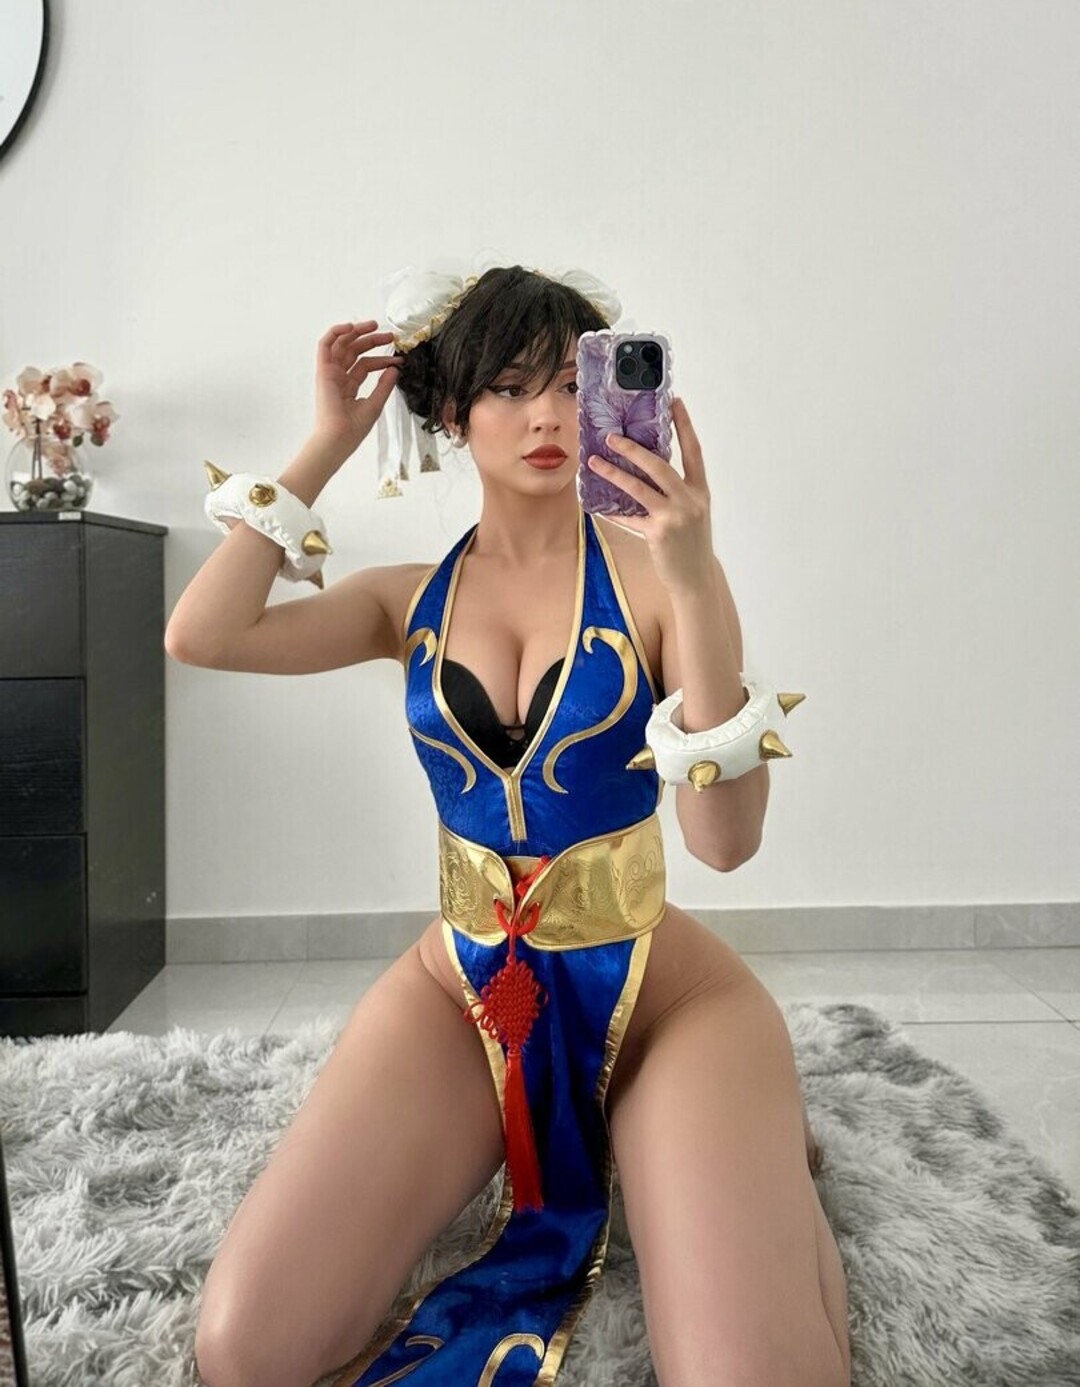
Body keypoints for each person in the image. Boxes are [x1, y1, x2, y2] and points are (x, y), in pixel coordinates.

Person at [172, 263, 851, 1387]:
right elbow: (204, 634)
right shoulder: (405, 600)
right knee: (246, 1350)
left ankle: (756, 1158)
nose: (546, 416)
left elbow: (726, 844)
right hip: (468, 990)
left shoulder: (661, 583)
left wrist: (695, 579)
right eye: (509, 385)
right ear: (451, 409)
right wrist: (327, 441)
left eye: (571, 386)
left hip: (662, 1006)